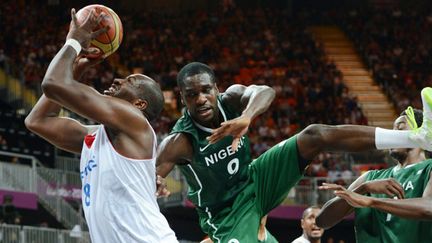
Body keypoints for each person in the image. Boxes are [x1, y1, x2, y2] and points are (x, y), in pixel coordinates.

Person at [156, 62, 432, 242]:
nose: (201, 98)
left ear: (216, 88)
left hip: (255, 181)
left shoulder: (230, 100)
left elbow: (265, 91)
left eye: (206, 90)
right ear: (183, 98)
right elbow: (150, 173)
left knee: (314, 135)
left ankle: (414, 135)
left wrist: (247, 116)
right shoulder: (180, 141)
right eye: (192, 95)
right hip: (225, 212)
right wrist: (155, 181)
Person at [25, 9, 177, 243]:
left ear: (139, 103)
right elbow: (37, 121)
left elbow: (53, 83)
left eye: (130, 81)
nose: (117, 80)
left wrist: (74, 41)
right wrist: (78, 68)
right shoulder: (97, 137)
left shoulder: (135, 121)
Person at [316, 107, 432, 243]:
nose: (392, 136)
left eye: (400, 129)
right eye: (392, 131)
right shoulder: (370, 178)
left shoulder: (428, 168)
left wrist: (372, 201)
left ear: (421, 133)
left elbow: (429, 208)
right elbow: (322, 221)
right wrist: (363, 189)